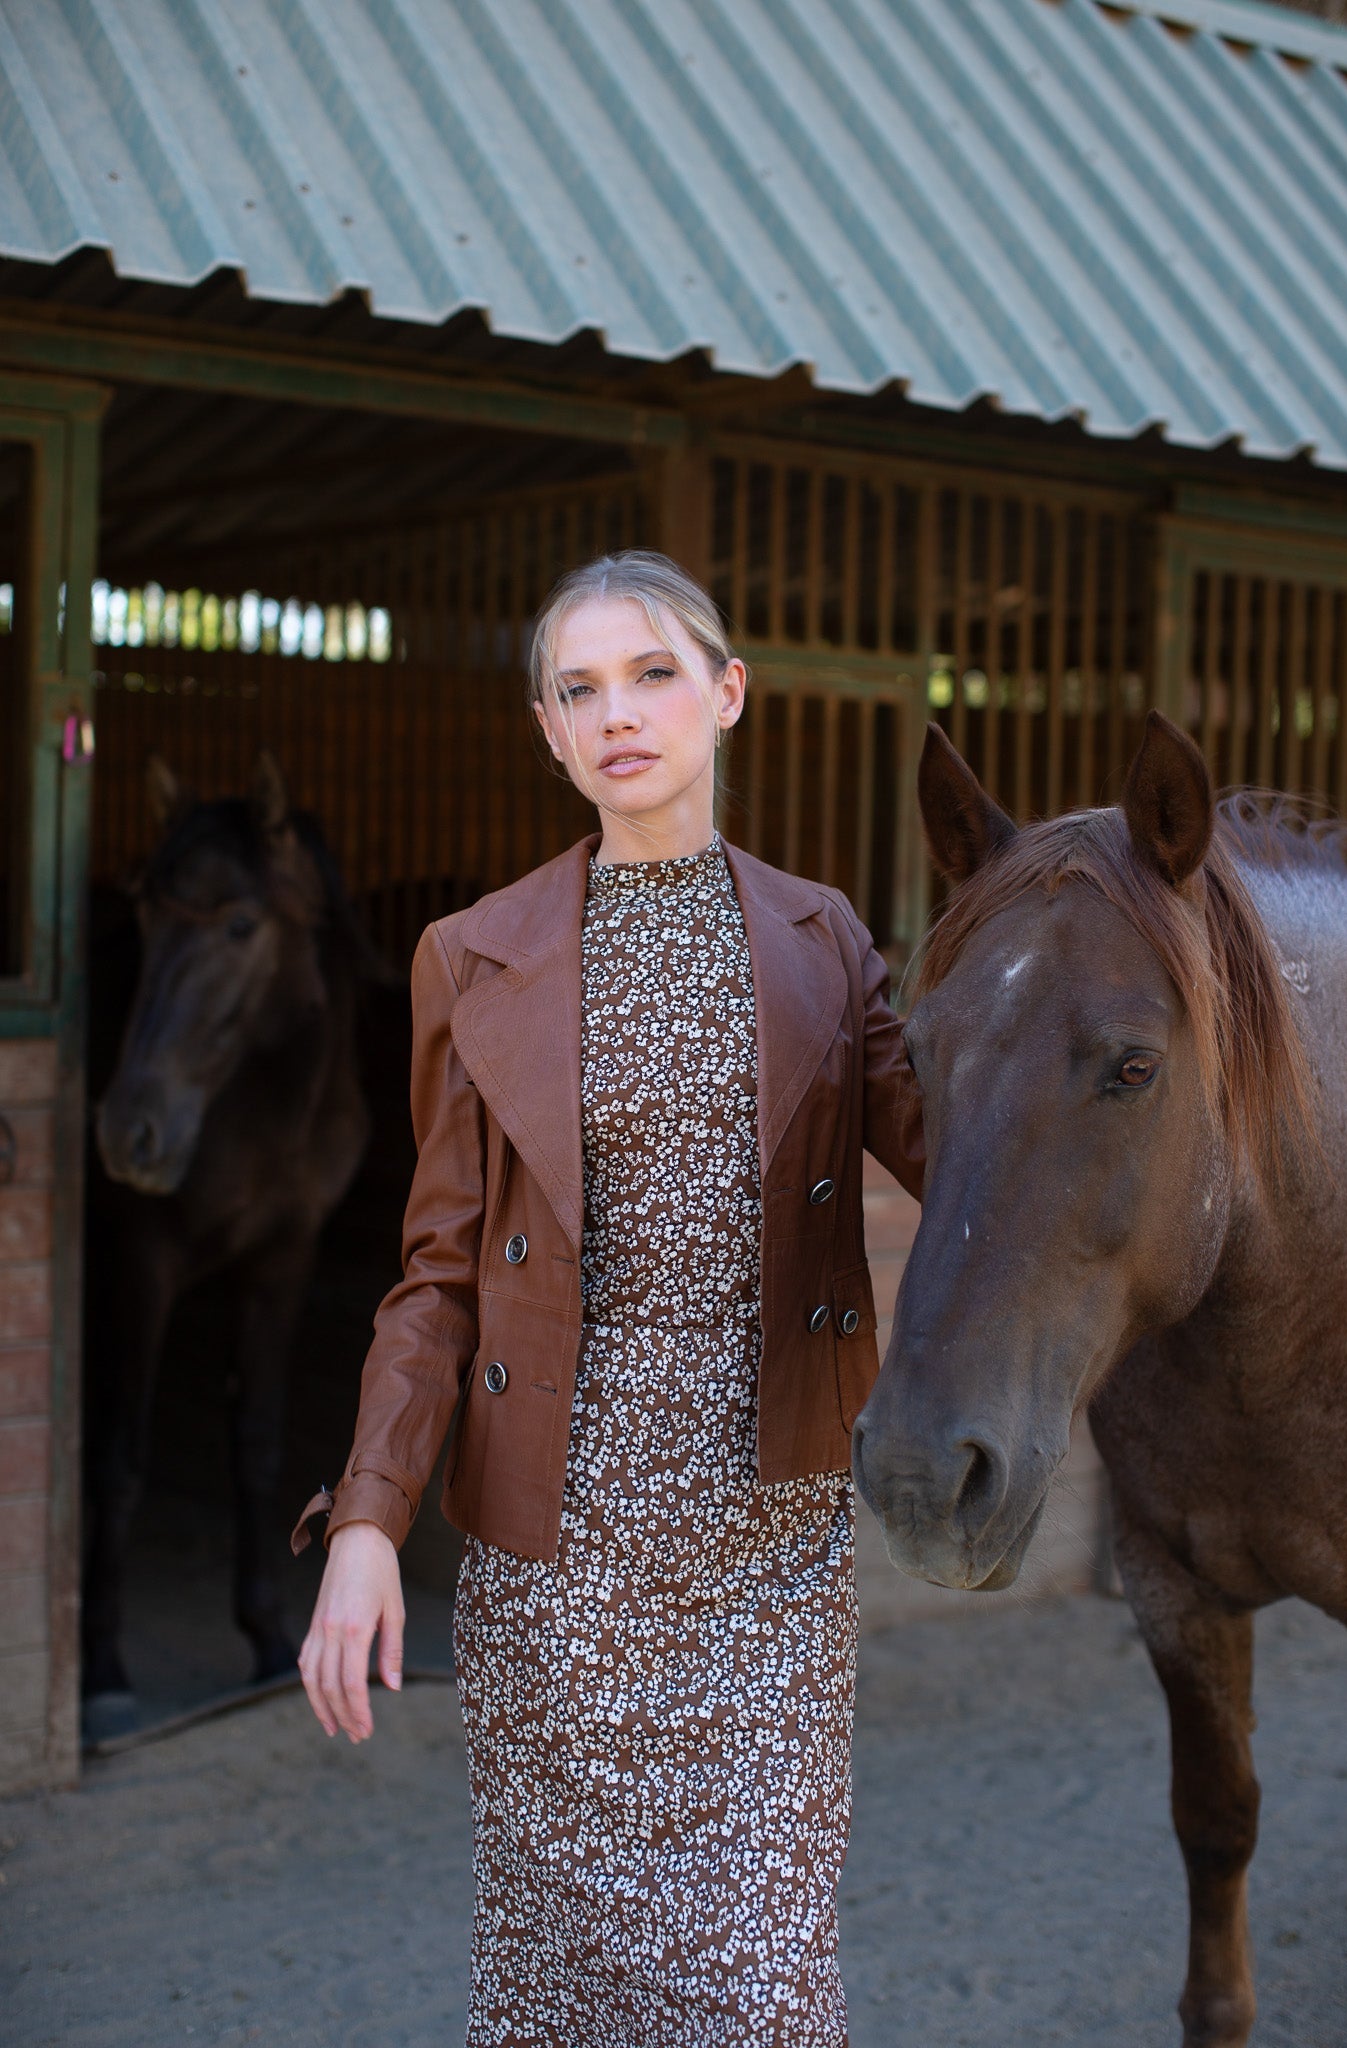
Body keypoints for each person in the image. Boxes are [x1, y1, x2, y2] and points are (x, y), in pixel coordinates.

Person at [296, 550, 924, 2045]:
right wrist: (369, 1522)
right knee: (567, 1992)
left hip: (767, 1553)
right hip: (556, 1564)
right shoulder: (472, 956)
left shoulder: (822, 942)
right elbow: (436, 1275)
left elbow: (973, 1159)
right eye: (578, 689)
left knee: (763, 1993)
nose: (616, 713)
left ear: (726, 694)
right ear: (546, 729)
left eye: (650, 674)